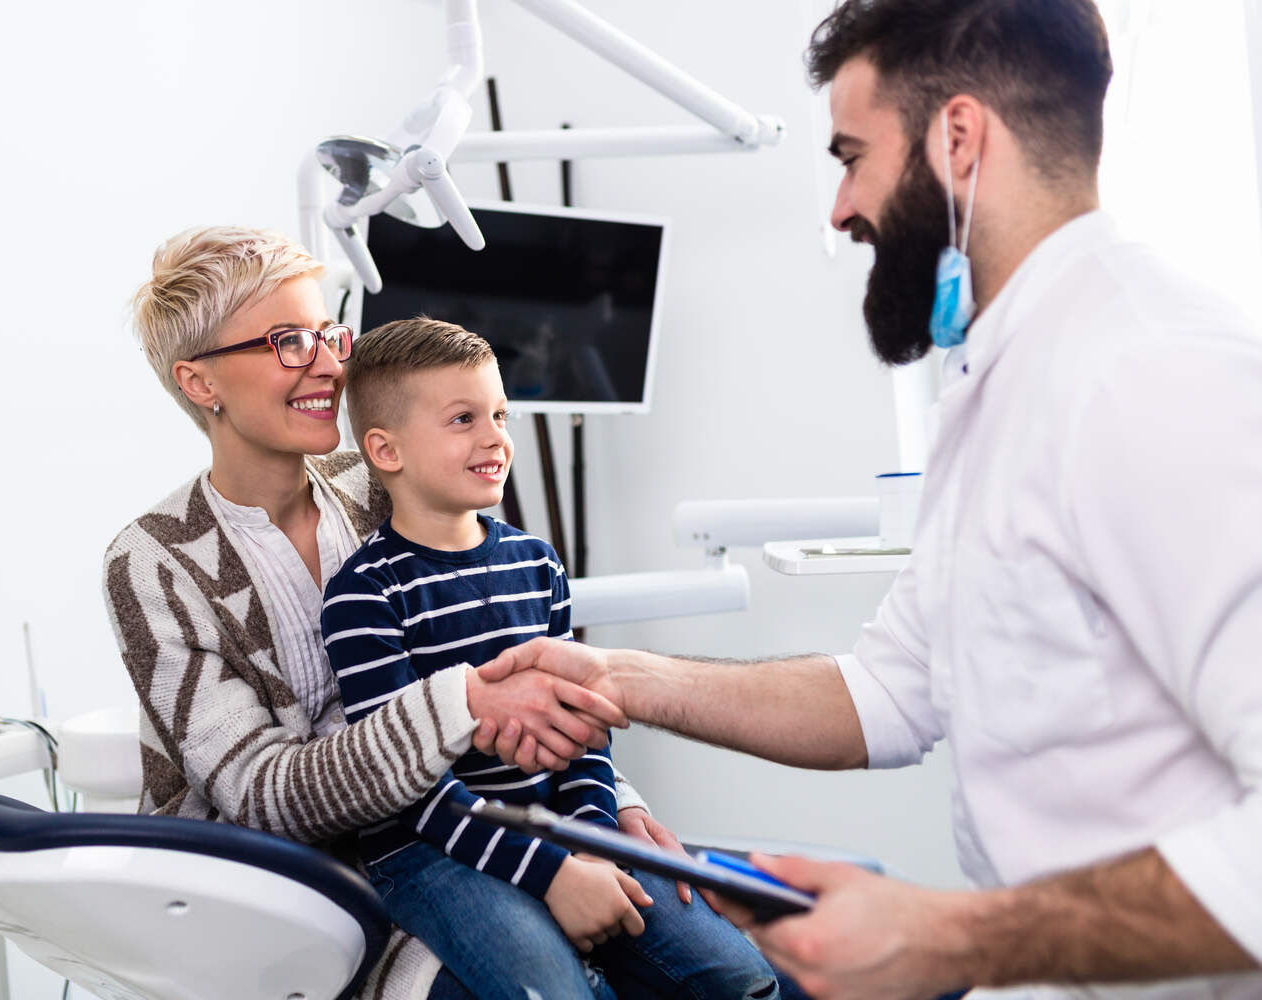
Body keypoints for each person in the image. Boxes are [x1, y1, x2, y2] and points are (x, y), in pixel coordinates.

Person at [474, 1, 1262, 998]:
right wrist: (621, 676)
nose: (840, 208)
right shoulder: (1002, 385)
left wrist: (963, 937)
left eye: (852, 155)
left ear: (960, 139)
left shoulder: (1152, 373)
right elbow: (890, 690)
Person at [102, 226, 685, 999]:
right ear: (201, 382)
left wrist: (613, 809)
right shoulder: (153, 561)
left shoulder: (379, 483)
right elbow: (263, 796)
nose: (329, 363)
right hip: (282, 895)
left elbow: (515, 638)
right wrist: (468, 703)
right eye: (287, 341)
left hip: (457, 833)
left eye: (326, 332)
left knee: (700, 952)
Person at [320, 318, 777, 1000]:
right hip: (431, 853)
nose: (495, 437)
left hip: (559, 825)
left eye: (500, 413)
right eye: (463, 418)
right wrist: (552, 875)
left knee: (741, 978)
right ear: (386, 450)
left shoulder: (537, 564)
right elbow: (410, 788)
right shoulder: (363, 594)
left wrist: (594, 845)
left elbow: (587, 731)